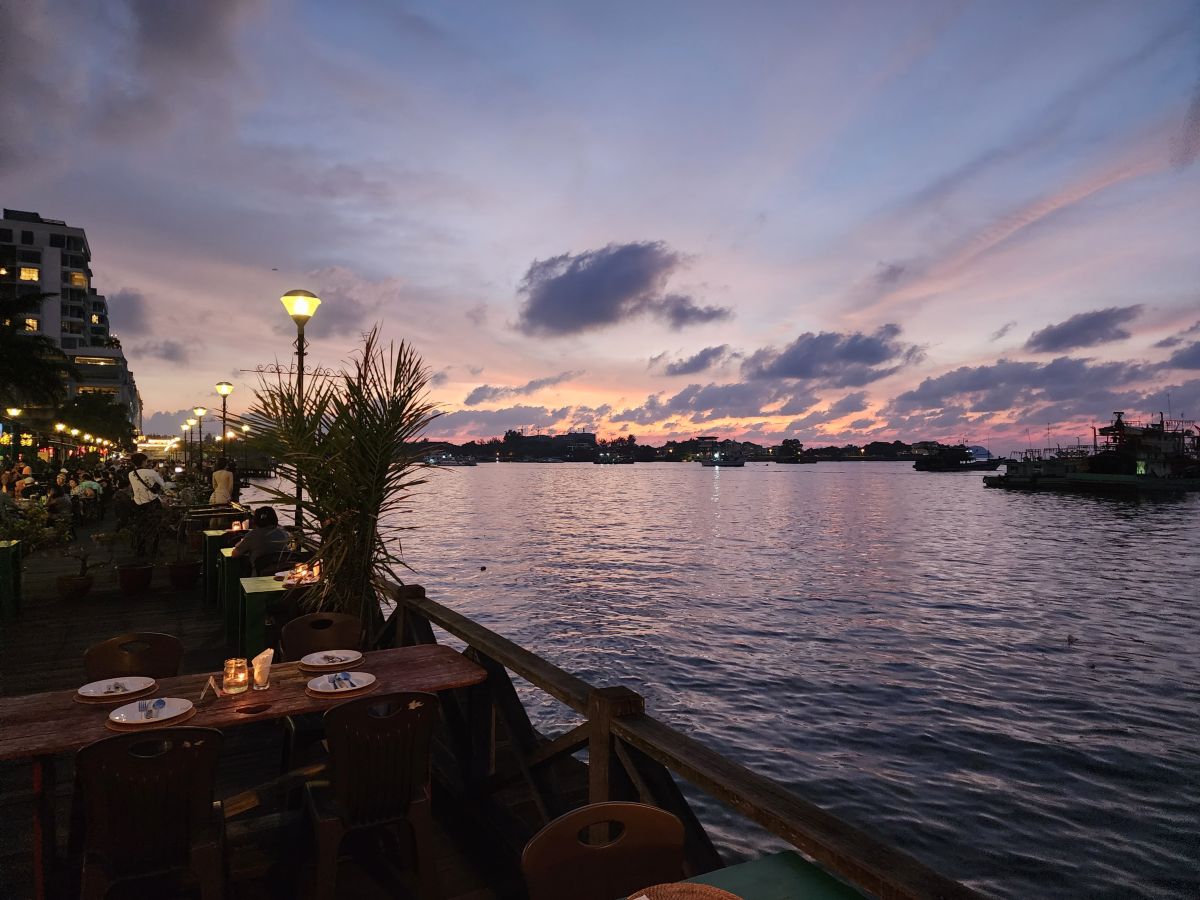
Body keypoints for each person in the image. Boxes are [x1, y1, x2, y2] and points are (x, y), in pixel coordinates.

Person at [127, 452, 165, 556]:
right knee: (155, 527)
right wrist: (159, 474)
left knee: (140, 527)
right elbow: (163, 484)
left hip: (138, 504)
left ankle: (140, 549)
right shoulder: (151, 472)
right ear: (144, 461)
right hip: (152, 504)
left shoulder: (130, 474)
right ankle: (154, 550)